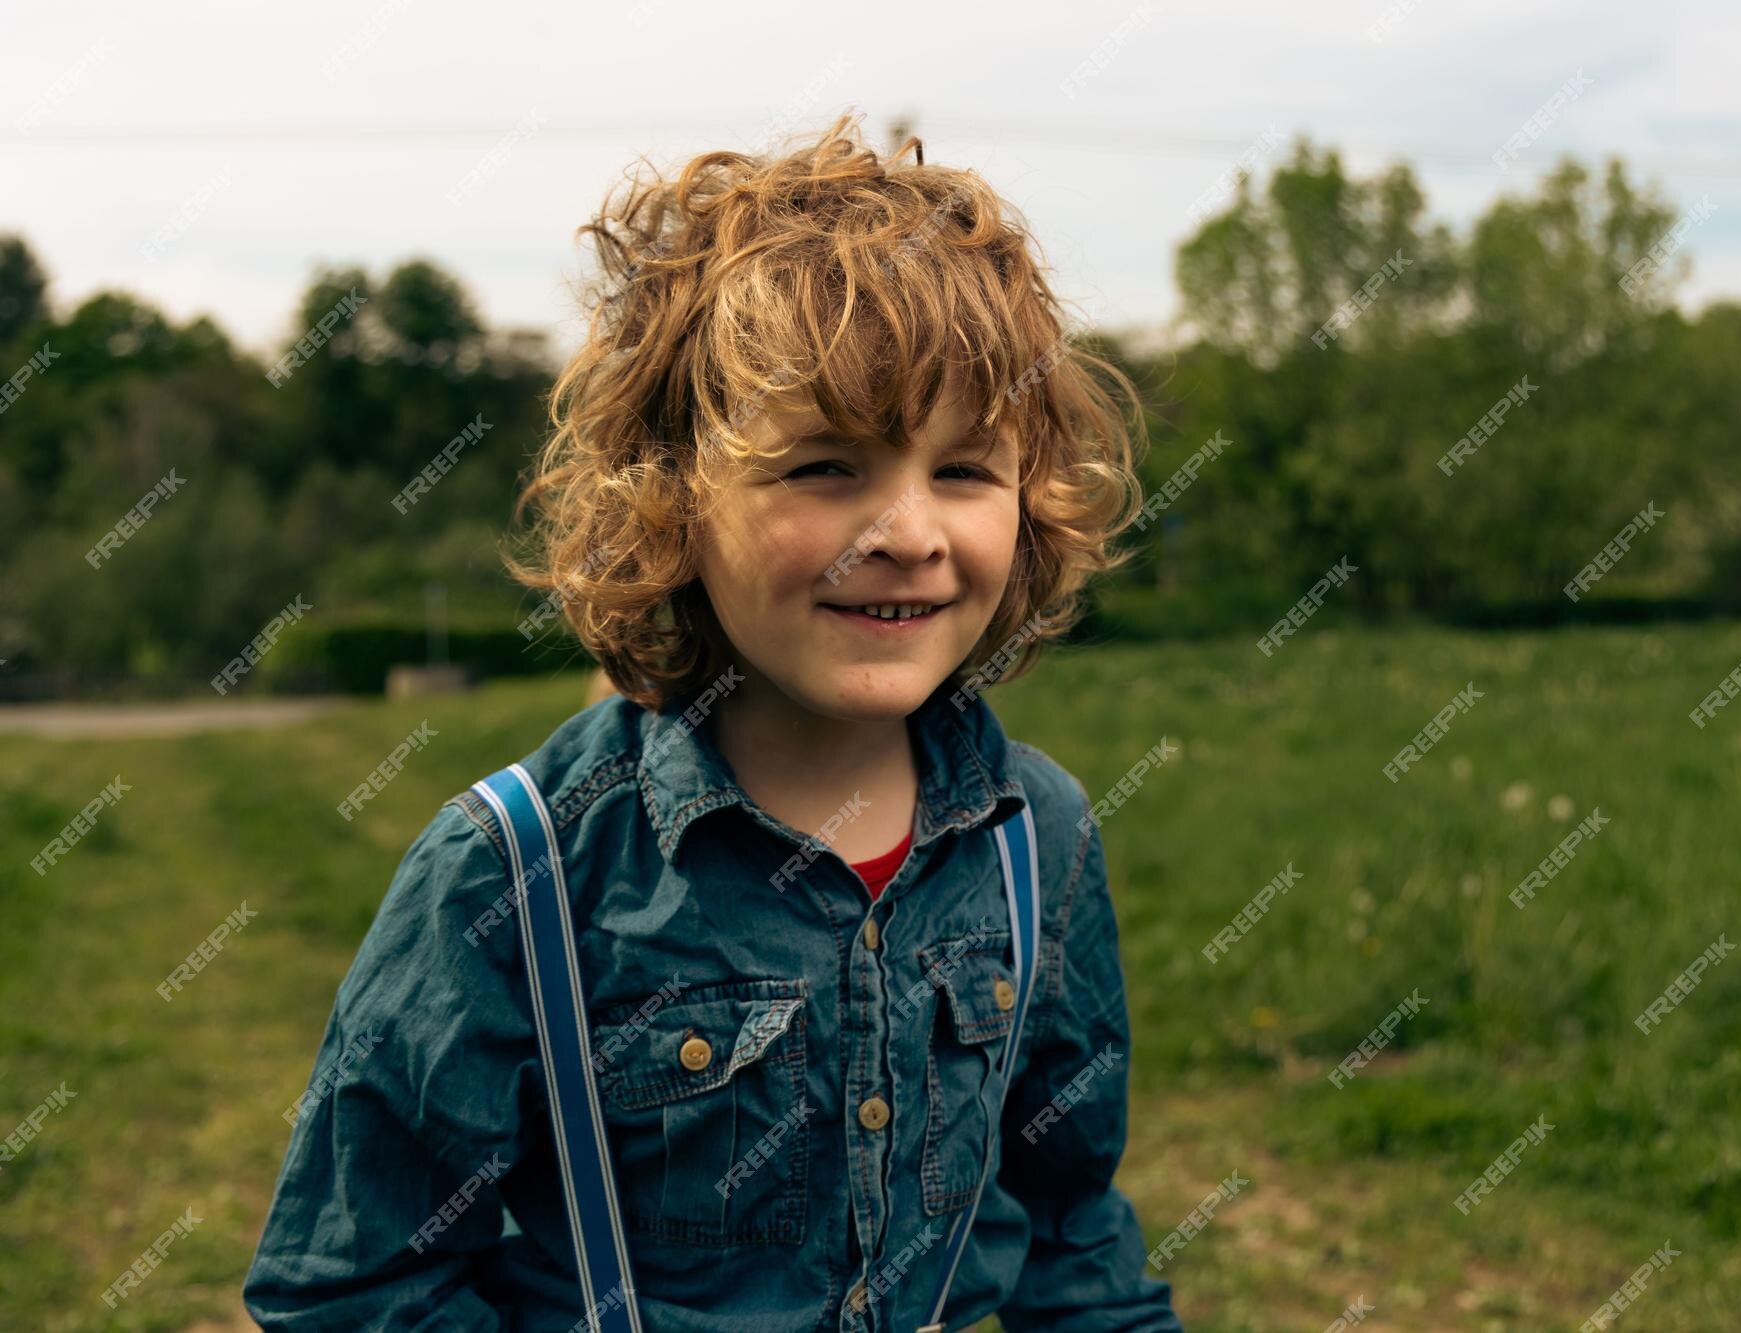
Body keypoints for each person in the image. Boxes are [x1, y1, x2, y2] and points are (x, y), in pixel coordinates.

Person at [243, 112, 1180, 1331]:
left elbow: (1071, 1234)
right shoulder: (518, 869)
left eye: (963, 469)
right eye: (823, 467)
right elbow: (354, 1285)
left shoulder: (1032, 841)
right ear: (674, 501)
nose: (907, 530)